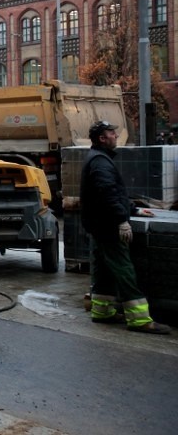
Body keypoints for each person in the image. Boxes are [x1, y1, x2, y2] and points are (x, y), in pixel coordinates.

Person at [80, 120, 170, 334]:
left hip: (98, 225)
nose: (116, 136)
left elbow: (114, 193)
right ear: (102, 138)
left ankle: (102, 312)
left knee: (103, 269)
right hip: (108, 226)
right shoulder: (101, 162)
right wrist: (122, 220)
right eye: (112, 133)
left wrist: (134, 210)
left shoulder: (98, 159)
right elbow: (108, 193)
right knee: (124, 269)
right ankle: (139, 320)